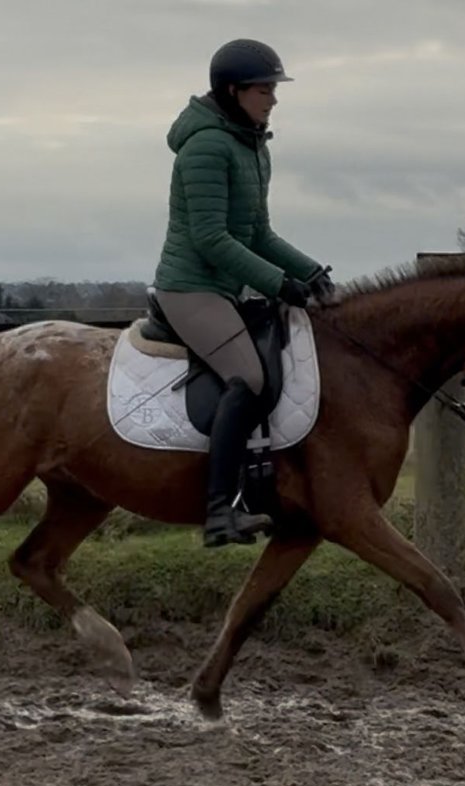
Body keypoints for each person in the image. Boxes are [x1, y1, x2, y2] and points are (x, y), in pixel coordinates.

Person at [152, 38, 335, 548]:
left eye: (274, 90)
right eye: (264, 90)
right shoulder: (206, 147)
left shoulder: (251, 145)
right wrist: (279, 284)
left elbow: (258, 235)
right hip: (190, 289)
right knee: (249, 377)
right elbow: (212, 240)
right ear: (233, 92)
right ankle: (217, 512)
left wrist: (312, 273)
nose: (273, 99)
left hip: (224, 287)